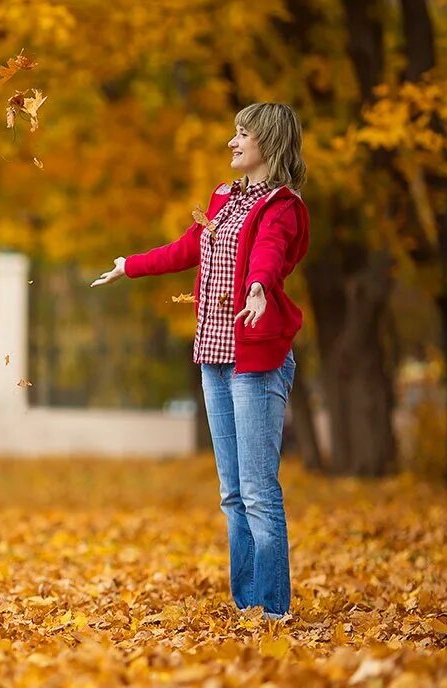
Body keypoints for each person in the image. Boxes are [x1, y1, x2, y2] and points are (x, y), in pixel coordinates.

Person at [92, 102, 310, 618]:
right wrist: (131, 265)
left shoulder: (282, 206)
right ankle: (247, 607)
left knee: (258, 492)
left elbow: (271, 252)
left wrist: (258, 287)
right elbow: (190, 247)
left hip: (256, 361)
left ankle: (274, 612)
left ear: (268, 144)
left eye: (242, 134)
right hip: (215, 355)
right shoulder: (225, 198)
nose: (232, 143)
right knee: (232, 493)